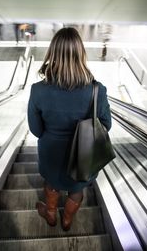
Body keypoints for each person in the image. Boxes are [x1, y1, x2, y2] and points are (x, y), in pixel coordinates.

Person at [27, 27, 112, 231]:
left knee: (52, 184)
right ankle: (67, 219)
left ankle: (50, 215)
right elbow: (105, 125)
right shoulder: (97, 90)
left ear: (52, 54)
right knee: (77, 189)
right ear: (81, 53)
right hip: (84, 157)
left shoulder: (38, 90)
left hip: (51, 154)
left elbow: (36, 130)